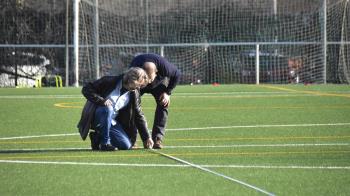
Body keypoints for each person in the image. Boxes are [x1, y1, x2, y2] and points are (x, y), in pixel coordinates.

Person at [77, 67, 154, 151]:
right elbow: (86, 89)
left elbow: (139, 114)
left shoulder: (135, 93)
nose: (138, 88)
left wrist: (147, 137)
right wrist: (101, 100)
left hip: (112, 121)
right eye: (138, 84)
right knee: (108, 109)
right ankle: (105, 143)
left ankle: (97, 137)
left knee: (126, 145)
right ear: (132, 80)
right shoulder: (109, 81)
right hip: (96, 116)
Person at [130, 53, 181, 149]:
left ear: (156, 71)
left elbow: (177, 74)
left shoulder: (165, 67)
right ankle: (131, 139)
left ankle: (157, 139)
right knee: (130, 105)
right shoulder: (134, 67)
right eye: (146, 78)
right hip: (139, 82)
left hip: (158, 83)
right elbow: (128, 81)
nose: (148, 81)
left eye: (150, 78)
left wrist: (167, 93)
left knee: (163, 103)